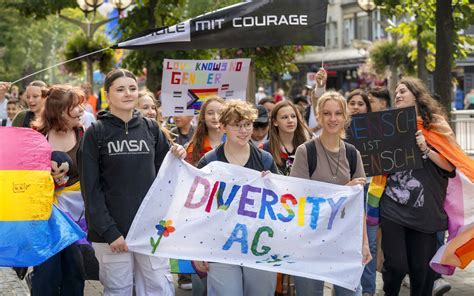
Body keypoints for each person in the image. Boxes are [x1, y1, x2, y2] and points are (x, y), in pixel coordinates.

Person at [79, 69, 186, 296]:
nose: (128, 94)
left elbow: (166, 180)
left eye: (132, 88)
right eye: (120, 89)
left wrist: (178, 155)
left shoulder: (152, 129)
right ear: (107, 94)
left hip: (150, 230)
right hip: (112, 235)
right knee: (119, 291)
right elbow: (91, 190)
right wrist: (110, 232)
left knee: (159, 288)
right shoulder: (95, 133)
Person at [379, 77, 456, 296]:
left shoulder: (437, 124)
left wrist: (426, 149)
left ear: (416, 94)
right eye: (395, 93)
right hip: (393, 205)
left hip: (426, 210)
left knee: (421, 271)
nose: (398, 95)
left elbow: (450, 166)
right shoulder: (389, 125)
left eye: (403, 91)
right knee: (396, 265)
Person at [290, 91, 371, 296]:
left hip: (345, 239)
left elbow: (358, 206)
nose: (332, 119)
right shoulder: (305, 152)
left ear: (345, 117)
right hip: (309, 240)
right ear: (319, 116)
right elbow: (299, 200)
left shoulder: (353, 154)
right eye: (327, 113)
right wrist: (345, 190)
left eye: (337, 113)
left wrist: (364, 243)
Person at [194, 100, 279, 296]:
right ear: (222, 127)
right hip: (221, 245)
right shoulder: (209, 162)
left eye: (248, 124)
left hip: (258, 244)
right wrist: (198, 250)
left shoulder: (265, 159)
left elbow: (279, 204)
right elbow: (198, 209)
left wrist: (273, 185)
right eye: (236, 125)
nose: (243, 131)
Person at [30, 85, 87, 296]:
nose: (82, 109)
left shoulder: (84, 133)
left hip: (76, 215)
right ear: (60, 111)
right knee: (47, 271)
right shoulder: (37, 136)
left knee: (75, 270)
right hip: (45, 215)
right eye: (76, 106)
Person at [346, 89, 377, 296]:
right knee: (349, 244)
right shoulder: (337, 130)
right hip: (347, 191)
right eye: (352, 103)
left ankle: (368, 290)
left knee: (370, 243)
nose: (356, 106)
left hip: (371, 192)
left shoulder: (378, 131)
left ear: (367, 107)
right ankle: (348, 286)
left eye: (361, 103)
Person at [261, 100, 311, 175]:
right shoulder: (264, 149)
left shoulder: (308, 147)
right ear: (275, 122)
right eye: (284, 117)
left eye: (293, 116)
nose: (290, 120)